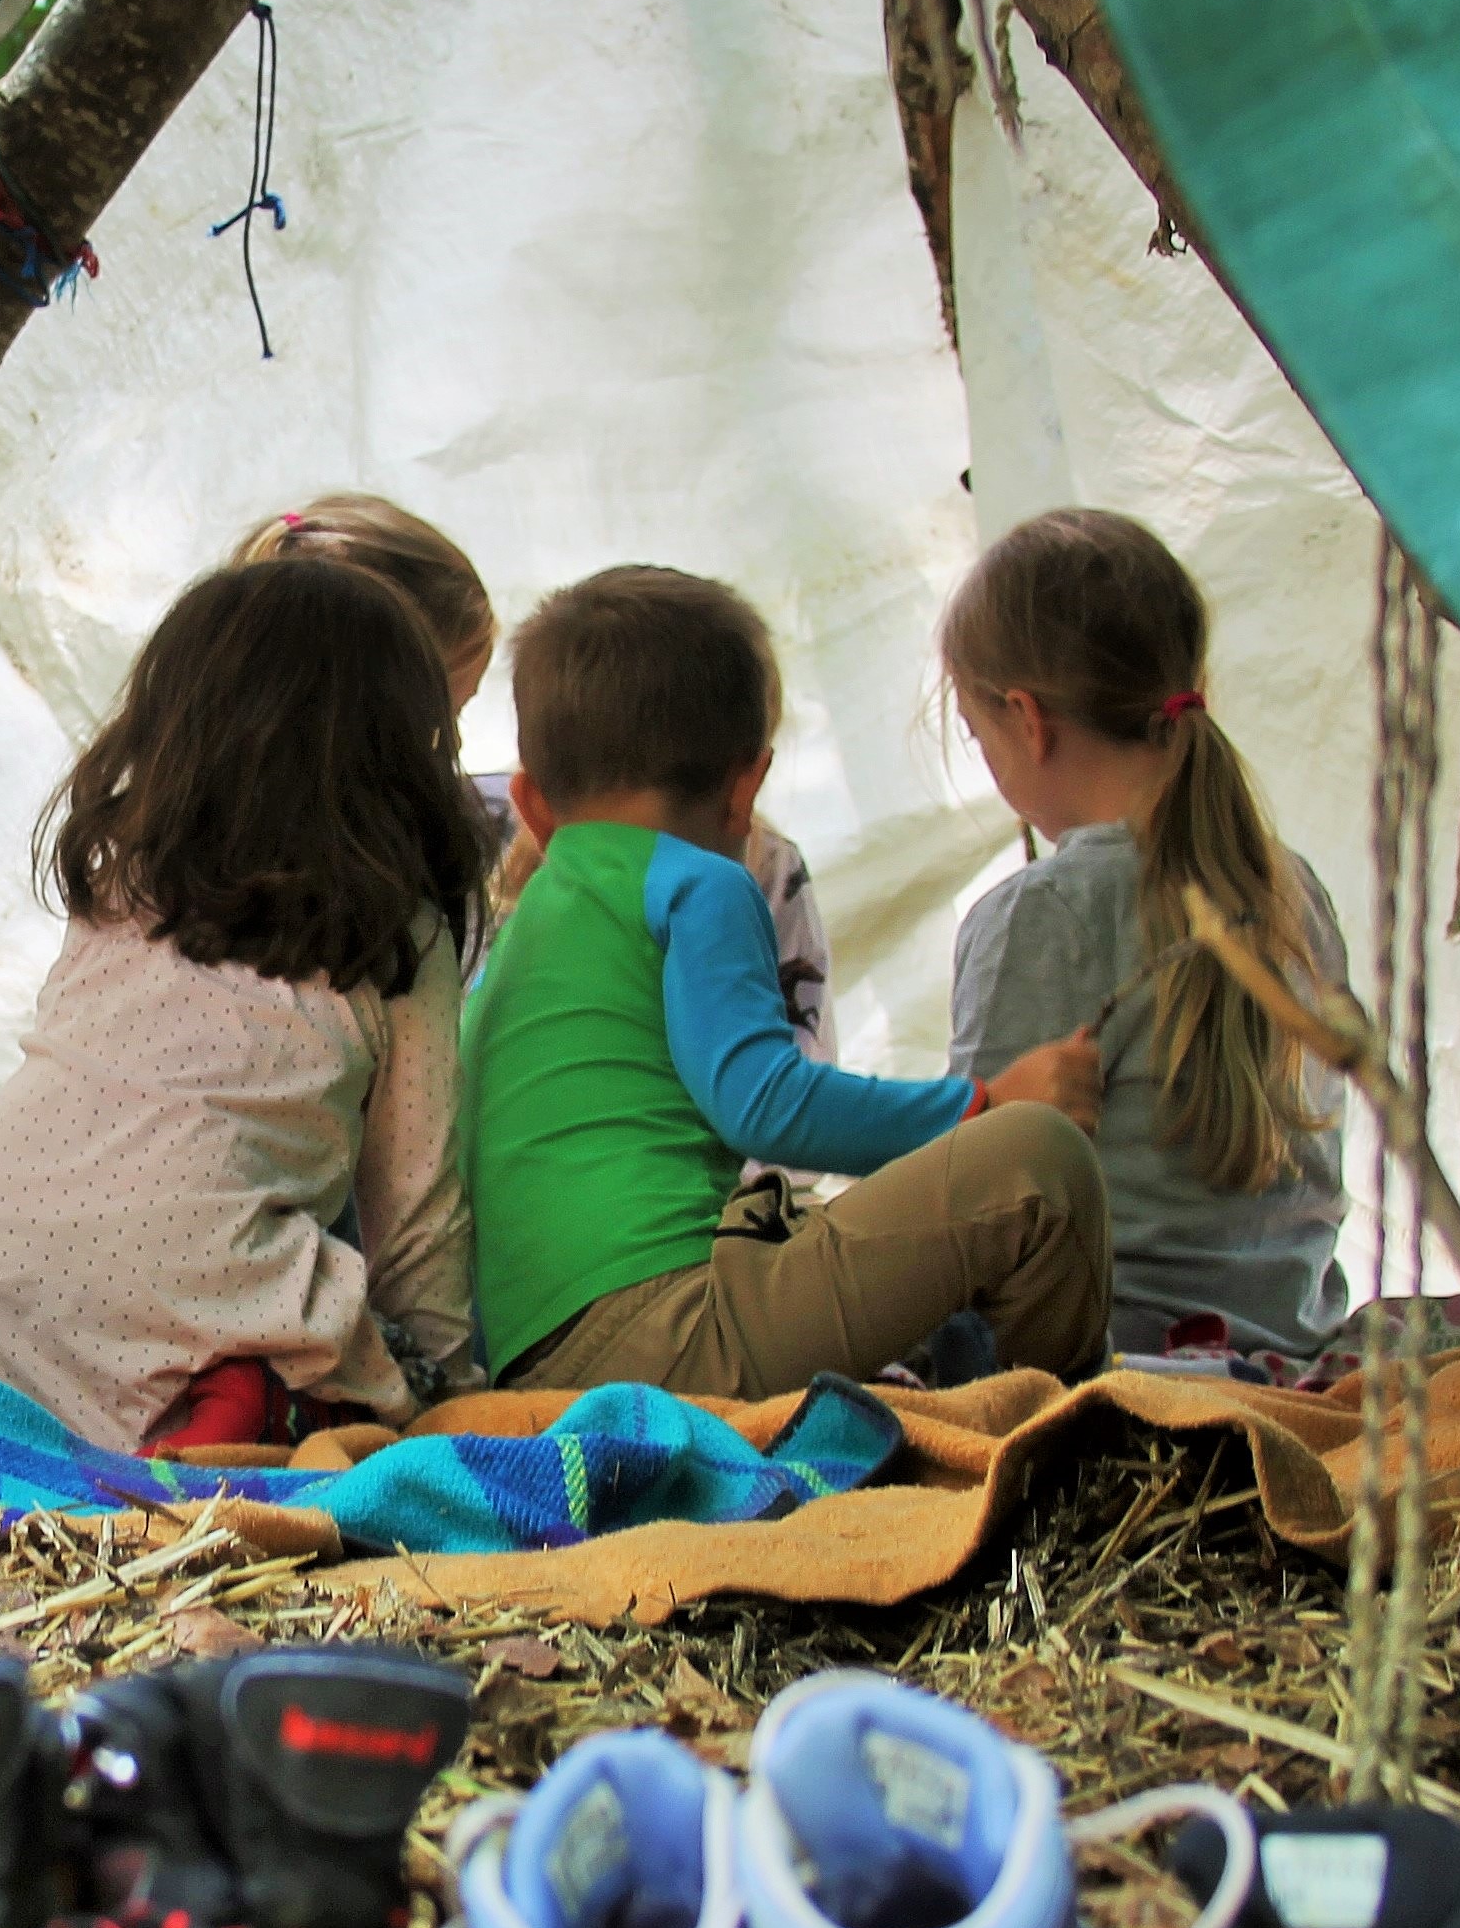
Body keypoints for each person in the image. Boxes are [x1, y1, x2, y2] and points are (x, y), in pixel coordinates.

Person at [0, 548, 490, 1454]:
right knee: (352, 1360)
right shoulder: (397, 937)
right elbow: (414, 1216)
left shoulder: (119, 880)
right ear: (404, 746)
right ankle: (242, 1411)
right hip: (197, 1293)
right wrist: (444, 1402)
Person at [462, 566, 1109, 1398]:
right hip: (671, 1334)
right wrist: (983, 1106)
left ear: (533, 802)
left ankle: (976, 1393)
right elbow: (762, 1102)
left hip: (531, 1366)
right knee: (1039, 1167)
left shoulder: (518, 931)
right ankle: (1066, 1437)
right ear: (746, 790)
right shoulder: (697, 883)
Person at [939, 507, 1353, 1359]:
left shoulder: (1040, 914)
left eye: (980, 736)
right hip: (1290, 1342)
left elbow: (972, 1207)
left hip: (1110, 1363)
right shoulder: (1291, 886)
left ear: (1028, 720)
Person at [242, 500, 841, 1060]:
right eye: (433, 724)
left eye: (456, 719)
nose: (449, 752)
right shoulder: (341, 876)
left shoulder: (759, 867)